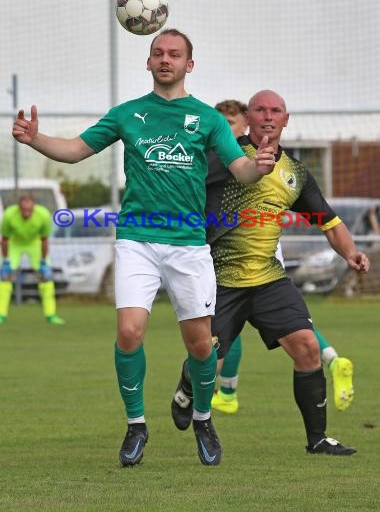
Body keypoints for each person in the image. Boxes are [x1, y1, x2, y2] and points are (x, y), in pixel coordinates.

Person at [11, 29, 276, 467]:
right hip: (137, 240)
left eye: (174, 54)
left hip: (189, 246)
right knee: (130, 332)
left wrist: (260, 166)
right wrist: (34, 139)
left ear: (189, 64)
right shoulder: (128, 114)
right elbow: (76, 150)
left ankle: (204, 419)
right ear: (148, 62)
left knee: (201, 346)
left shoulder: (206, 119)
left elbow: (242, 170)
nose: (165, 59)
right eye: (158, 53)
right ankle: (136, 426)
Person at [171, 89, 370, 456]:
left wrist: (351, 253)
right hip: (219, 279)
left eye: (275, 110)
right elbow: (181, 190)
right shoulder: (223, 157)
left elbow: (329, 222)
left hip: (267, 279)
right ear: (248, 118)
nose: (267, 116)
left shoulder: (294, 172)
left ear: (285, 119)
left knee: (308, 348)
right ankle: (188, 385)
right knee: (207, 360)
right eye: (259, 109)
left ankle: (318, 440)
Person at [210, 100, 354, 415]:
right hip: (223, 256)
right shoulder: (215, 158)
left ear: (244, 123)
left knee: (227, 333)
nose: (225, 130)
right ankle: (331, 358)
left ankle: (227, 393)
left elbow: (325, 219)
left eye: (230, 123)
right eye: (219, 123)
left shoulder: (266, 162)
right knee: (233, 333)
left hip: (253, 256)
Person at [0, 195, 65, 325]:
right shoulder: (9, 215)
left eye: (29, 210)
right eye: (23, 210)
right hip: (15, 244)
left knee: (45, 277)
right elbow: (5, 239)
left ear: (34, 207)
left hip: (35, 244)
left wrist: (43, 261)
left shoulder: (43, 215)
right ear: (19, 208)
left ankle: (50, 315)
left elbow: (44, 240)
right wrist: (6, 260)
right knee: (4, 277)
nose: (26, 213)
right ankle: (1, 314)